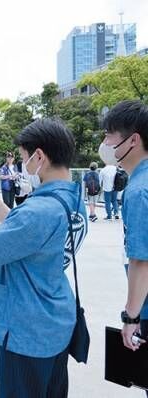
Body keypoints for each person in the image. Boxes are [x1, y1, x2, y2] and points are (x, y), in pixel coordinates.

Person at [0, 119, 88, 398]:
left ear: (39, 156)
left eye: (25, 158)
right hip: (57, 322)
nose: (23, 165)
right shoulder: (73, 200)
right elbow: (25, 237)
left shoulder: (38, 210)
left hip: (28, 329)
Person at [100, 100, 148, 358]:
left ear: (133, 140)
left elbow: (142, 261)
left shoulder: (138, 191)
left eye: (109, 135)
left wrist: (131, 317)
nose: (105, 143)